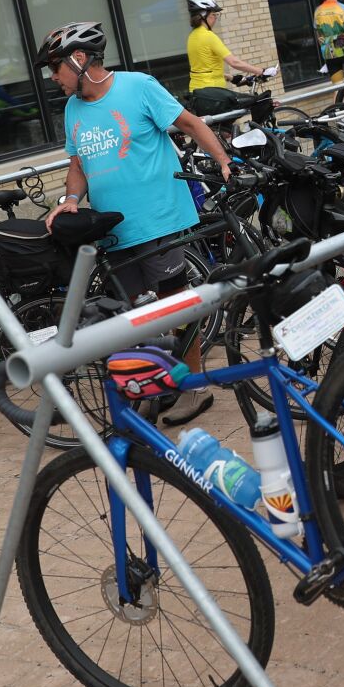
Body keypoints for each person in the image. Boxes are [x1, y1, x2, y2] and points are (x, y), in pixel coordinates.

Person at [41, 21, 235, 427]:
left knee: (173, 307)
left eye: (55, 68)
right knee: (135, 317)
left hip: (158, 221)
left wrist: (222, 160)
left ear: (79, 60)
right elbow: (77, 165)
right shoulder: (73, 108)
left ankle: (194, 388)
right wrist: (70, 200)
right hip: (115, 231)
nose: (53, 78)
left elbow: (190, 124)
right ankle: (160, 383)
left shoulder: (138, 86)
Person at [186, 0, 275, 114]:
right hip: (212, 94)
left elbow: (204, 69)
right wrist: (261, 71)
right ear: (203, 16)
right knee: (254, 101)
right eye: (214, 14)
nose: (216, 18)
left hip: (198, 93)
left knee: (225, 128)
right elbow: (234, 62)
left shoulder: (192, 37)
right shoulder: (208, 36)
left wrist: (232, 78)